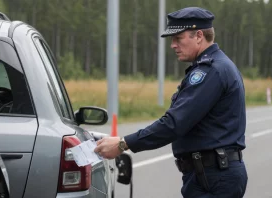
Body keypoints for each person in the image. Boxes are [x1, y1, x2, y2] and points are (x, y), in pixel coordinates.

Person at [94, 7, 248, 198]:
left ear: (199, 35)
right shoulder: (214, 67)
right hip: (210, 175)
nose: (173, 45)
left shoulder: (210, 72)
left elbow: (174, 124)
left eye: (178, 38)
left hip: (214, 178)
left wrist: (123, 144)